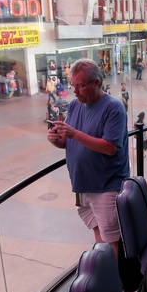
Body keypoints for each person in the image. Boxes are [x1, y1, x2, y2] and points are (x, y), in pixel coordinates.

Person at [47, 59, 129, 254]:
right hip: (83, 185)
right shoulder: (75, 106)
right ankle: (107, 275)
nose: (75, 91)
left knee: (111, 243)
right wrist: (57, 140)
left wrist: (74, 133)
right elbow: (71, 142)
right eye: (73, 85)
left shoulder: (113, 108)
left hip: (106, 186)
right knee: (100, 238)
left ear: (97, 83)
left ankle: (114, 281)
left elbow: (110, 147)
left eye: (81, 86)